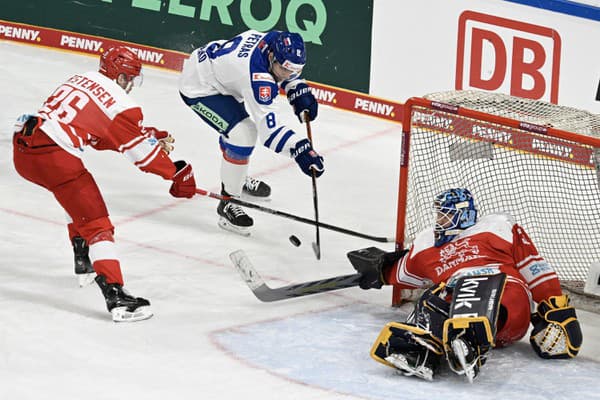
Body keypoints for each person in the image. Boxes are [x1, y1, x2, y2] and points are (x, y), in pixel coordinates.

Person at [12, 46, 197, 322]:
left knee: (72, 195)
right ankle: (117, 297)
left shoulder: (81, 78)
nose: (130, 83)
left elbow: (97, 136)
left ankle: (82, 256)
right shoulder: (122, 103)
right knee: (97, 223)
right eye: (128, 77)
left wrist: (142, 134)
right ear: (120, 76)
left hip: (24, 151)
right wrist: (176, 174)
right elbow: (144, 157)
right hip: (55, 158)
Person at [348, 188, 582, 382]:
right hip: (456, 294)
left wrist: (554, 304)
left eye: (446, 215)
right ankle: (422, 352)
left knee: (482, 289)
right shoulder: (426, 244)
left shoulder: (497, 227)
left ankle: (470, 338)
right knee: (433, 298)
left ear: (465, 216)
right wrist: (379, 271)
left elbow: (534, 266)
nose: (440, 221)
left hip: (506, 292)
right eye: (439, 215)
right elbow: (402, 273)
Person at [178, 29, 325, 236]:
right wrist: (299, 149)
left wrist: (295, 86)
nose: (288, 75)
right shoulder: (258, 79)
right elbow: (270, 133)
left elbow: (283, 70)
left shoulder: (276, 40)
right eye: (285, 70)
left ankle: (236, 176)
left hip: (221, 74)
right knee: (243, 134)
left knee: (238, 132)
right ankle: (228, 202)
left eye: (295, 71)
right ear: (273, 57)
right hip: (201, 87)